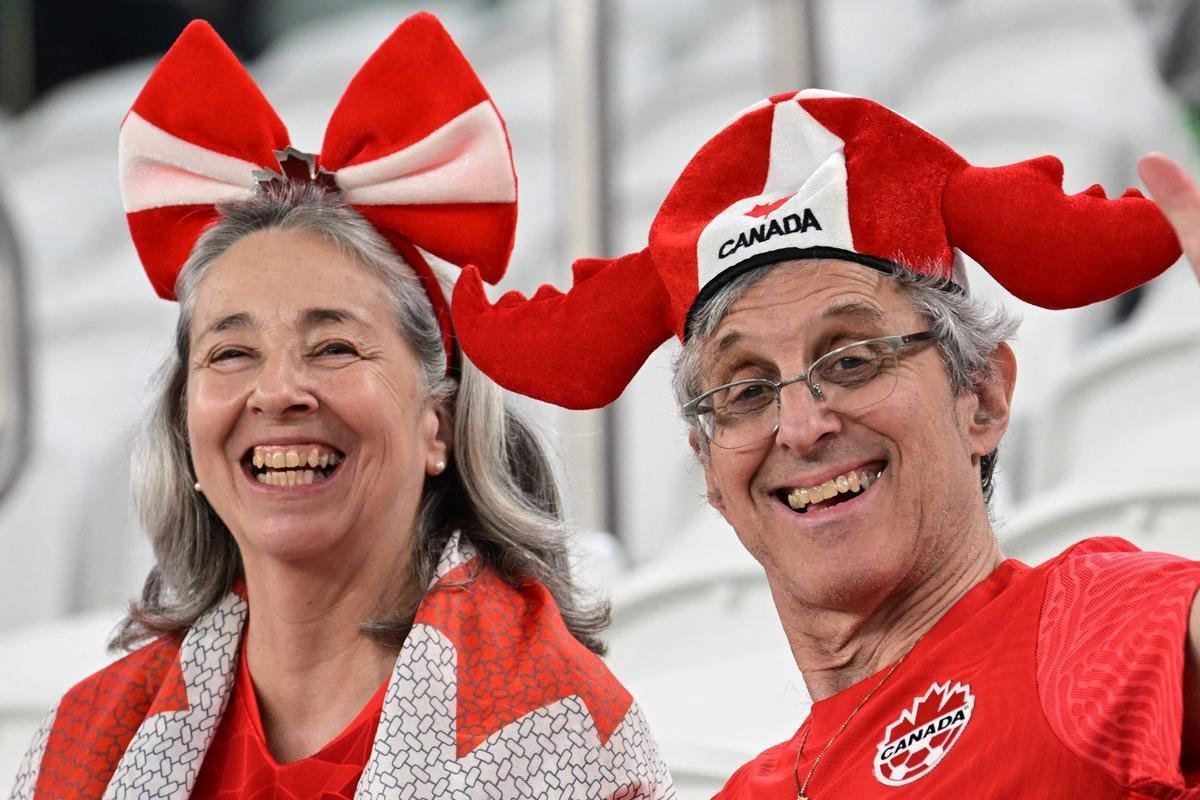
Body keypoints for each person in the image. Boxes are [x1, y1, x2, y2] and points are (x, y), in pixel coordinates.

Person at [452, 90, 1200, 796]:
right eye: (746, 391)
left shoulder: (1088, 626)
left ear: (982, 397)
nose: (802, 427)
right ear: (709, 469)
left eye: (851, 360)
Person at [8, 14, 674, 800]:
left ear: (440, 424)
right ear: (186, 431)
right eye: (231, 353)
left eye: (333, 347)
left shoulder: (567, 736)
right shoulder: (85, 738)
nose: (277, 392)